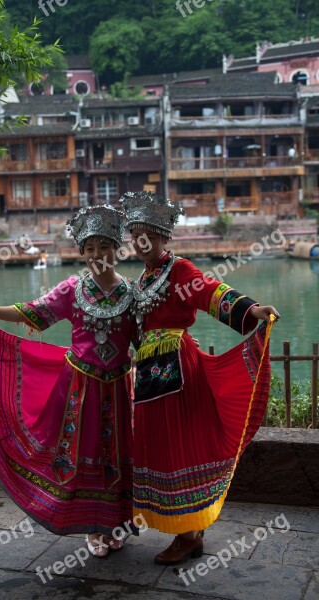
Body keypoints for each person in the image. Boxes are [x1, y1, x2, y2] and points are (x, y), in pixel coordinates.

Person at [0, 205, 135, 558]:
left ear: (116, 247)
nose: (97, 255)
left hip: (118, 389)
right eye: (90, 248)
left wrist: (181, 346)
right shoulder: (72, 289)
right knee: (83, 454)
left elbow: (148, 337)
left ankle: (115, 523)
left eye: (103, 246)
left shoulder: (133, 294)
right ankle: (91, 528)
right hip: (79, 391)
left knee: (117, 455)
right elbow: (32, 312)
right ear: (81, 253)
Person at [119, 191, 280, 565]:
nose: (142, 243)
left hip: (176, 368)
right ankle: (188, 526)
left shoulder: (179, 270)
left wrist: (252, 309)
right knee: (160, 445)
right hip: (149, 373)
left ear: (163, 237)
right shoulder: (144, 278)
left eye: (149, 236)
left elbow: (211, 292)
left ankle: (187, 535)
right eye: (136, 236)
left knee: (178, 445)